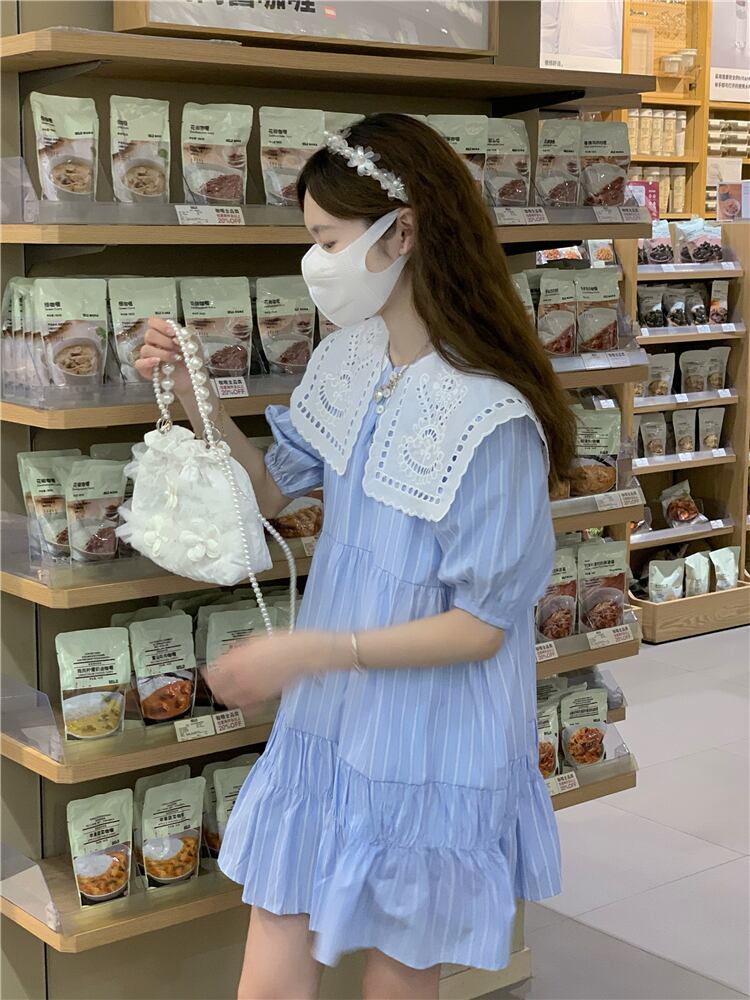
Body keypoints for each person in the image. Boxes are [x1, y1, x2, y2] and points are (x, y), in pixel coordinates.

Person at [138, 112, 575, 1000]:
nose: (316, 263)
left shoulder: (490, 417)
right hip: (333, 712)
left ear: (401, 232)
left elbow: (481, 627)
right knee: (276, 926)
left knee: (399, 968)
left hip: (431, 733)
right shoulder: (350, 359)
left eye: (329, 240)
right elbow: (273, 493)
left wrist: (312, 652)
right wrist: (196, 394)